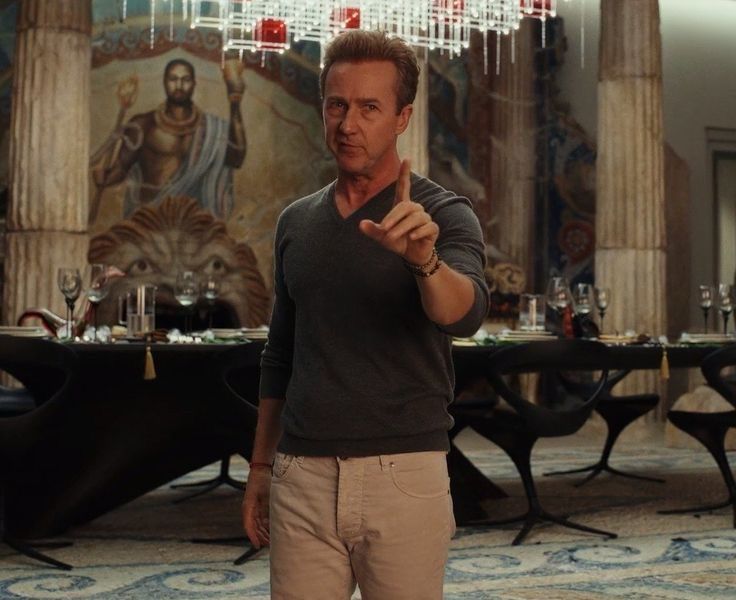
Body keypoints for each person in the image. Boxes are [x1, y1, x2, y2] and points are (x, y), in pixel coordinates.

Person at [243, 30, 489, 599]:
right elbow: (280, 355)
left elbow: (465, 314)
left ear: (403, 117)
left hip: (403, 474)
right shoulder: (296, 222)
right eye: (337, 105)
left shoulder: (443, 214)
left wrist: (424, 261)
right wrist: (260, 468)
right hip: (301, 474)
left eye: (369, 108)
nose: (348, 124)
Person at [90, 58, 246, 220]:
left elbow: (237, 159)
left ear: (194, 84)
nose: (179, 85)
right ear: (164, 82)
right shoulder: (142, 125)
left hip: (194, 223)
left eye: (185, 80)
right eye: (173, 79)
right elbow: (121, 168)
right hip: (149, 218)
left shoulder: (212, 129)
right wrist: (105, 179)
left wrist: (235, 102)